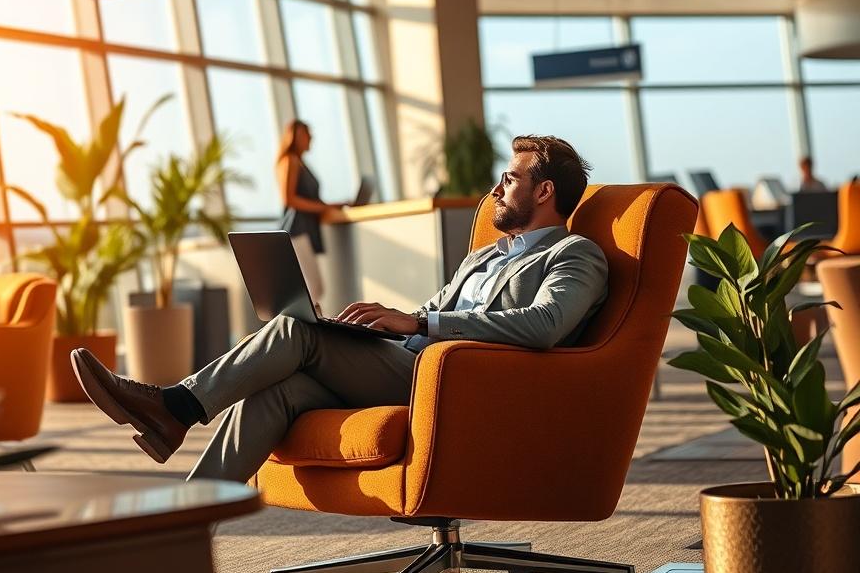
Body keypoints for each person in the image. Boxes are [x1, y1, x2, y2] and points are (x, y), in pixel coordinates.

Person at [71, 135, 609, 483]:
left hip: (457, 380)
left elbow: (545, 325)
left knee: (294, 333)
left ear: (544, 191)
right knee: (276, 391)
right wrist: (376, 323)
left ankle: (173, 407)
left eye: (510, 179)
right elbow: (431, 312)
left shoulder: (574, 254)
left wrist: (420, 322)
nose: (496, 189)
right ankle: (185, 525)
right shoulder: (484, 256)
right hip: (408, 362)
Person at [275, 119, 347, 309]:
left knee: (312, 287)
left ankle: (305, 323)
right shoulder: (290, 161)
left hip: (304, 229)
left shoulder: (300, 162)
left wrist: (331, 206)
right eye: (306, 134)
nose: (310, 138)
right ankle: (302, 323)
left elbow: (307, 198)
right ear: (295, 137)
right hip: (296, 229)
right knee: (314, 287)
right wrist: (323, 208)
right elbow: (289, 199)